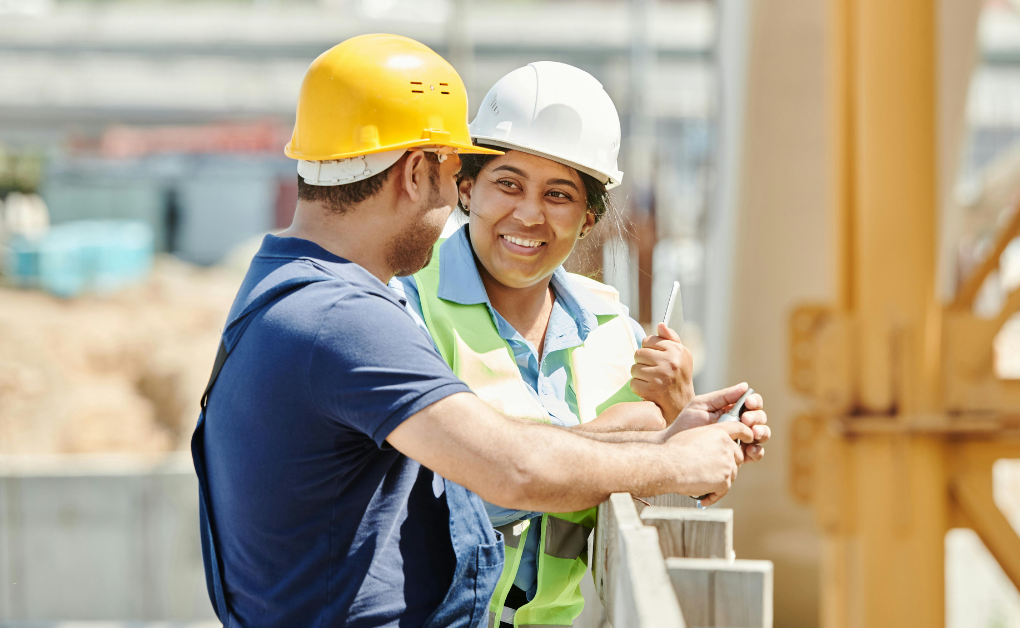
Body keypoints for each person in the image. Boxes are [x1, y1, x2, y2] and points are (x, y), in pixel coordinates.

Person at [192, 34, 763, 628]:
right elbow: (508, 468)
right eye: (457, 172)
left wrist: (670, 433)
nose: (456, 199)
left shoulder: (295, 292)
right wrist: (672, 463)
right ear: (418, 172)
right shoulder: (346, 319)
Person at [391, 62, 770, 628]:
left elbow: (640, 494)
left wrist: (679, 417)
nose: (529, 213)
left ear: (589, 216)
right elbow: (448, 492)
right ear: (467, 188)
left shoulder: (615, 332)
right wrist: (633, 438)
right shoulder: (407, 311)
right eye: (508, 183)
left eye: (559, 193)